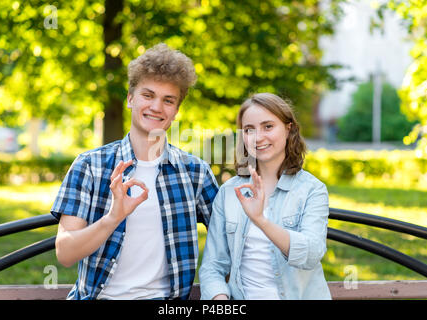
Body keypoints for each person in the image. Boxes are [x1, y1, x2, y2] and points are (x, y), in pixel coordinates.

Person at [51, 43, 219, 300]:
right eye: (148, 95)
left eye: (168, 100)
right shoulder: (90, 166)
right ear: (131, 98)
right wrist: (113, 217)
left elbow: (231, 242)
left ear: (176, 110)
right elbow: (65, 253)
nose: (156, 107)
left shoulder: (195, 173)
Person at [199, 92, 331, 300]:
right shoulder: (229, 193)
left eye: (268, 126)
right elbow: (212, 267)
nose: (258, 137)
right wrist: (220, 300)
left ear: (288, 130)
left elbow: (311, 254)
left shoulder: (312, 190)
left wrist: (260, 220)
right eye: (249, 130)